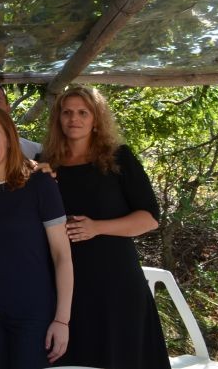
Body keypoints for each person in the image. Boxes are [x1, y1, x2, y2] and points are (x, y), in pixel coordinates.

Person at [42, 85, 169, 369]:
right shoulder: (46, 163)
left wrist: (97, 227)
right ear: (58, 118)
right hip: (64, 285)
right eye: (67, 112)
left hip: (115, 283)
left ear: (96, 119)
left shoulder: (118, 158)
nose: (74, 119)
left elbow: (149, 218)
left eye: (83, 112)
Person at [0, 109, 72, 369]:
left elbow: (62, 255)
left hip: (33, 310)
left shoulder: (40, 183)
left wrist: (62, 320)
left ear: (10, 138)